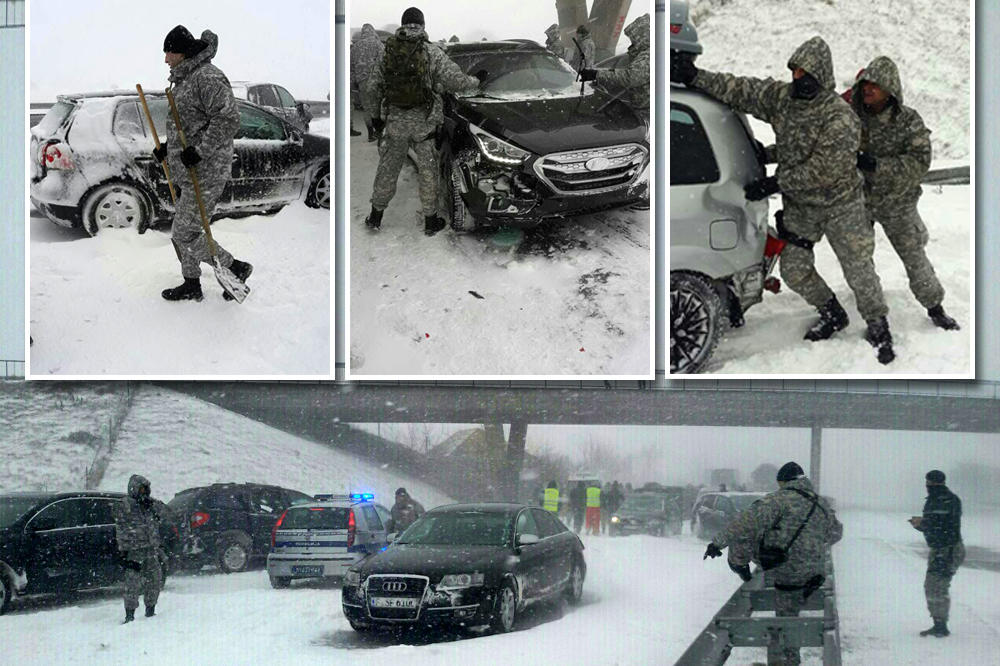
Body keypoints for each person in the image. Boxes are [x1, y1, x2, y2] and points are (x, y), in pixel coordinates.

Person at [673, 36, 895, 364]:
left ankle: (878, 323)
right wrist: (696, 77)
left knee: (858, 268)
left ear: (822, 75)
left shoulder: (840, 117)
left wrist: (775, 182)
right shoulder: (783, 98)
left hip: (841, 205)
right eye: (795, 71)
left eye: (806, 73)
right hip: (802, 207)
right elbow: (741, 89)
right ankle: (832, 312)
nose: (798, 79)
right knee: (794, 269)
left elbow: (825, 169)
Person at [850, 56, 960, 331]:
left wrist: (878, 166)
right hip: (859, 200)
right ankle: (875, 317)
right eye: (865, 85)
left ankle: (935, 307)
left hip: (898, 203)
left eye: (875, 85)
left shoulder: (908, 120)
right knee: (859, 261)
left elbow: (920, 162)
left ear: (890, 88)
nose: (868, 90)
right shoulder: (851, 117)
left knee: (915, 258)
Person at [704, 462, 842, 666]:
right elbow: (836, 533)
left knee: (785, 616)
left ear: (784, 481)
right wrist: (809, 546)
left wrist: (717, 544)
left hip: (786, 572)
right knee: (792, 607)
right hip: (816, 572)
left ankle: (739, 565)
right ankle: (790, 656)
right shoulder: (820, 503)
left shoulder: (777, 501)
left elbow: (744, 523)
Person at [362, 7, 481, 235]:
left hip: (395, 123)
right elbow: (456, 81)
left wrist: (376, 118)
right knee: (428, 171)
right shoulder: (430, 51)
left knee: (387, 169)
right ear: (422, 25)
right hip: (423, 124)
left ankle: (375, 216)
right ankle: (430, 220)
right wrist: (476, 80)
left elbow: (372, 88)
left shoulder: (387, 52)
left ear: (403, 24)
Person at [157, 26, 252, 302]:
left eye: (169, 52)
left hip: (207, 171)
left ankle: (236, 267)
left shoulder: (207, 77)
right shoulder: (184, 79)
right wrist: (167, 148)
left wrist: (200, 151)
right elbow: (185, 124)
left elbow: (228, 119)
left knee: (184, 232)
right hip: (188, 171)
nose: (165, 59)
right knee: (184, 231)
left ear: (182, 52)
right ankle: (191, 283)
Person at [909, 469, 964, 637]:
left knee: (936, 587)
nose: (928, 486)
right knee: (934, 586)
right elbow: (939, 524)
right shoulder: (941, 499)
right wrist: (922, 524)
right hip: (943, 548)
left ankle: (941, 626)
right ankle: (939, 623)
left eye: (929, 482)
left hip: (946, 549)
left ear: (930, 483)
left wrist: (922, 523)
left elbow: (941, 525)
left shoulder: (943, 500)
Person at [113, 475, 163, 623]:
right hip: (134, 552)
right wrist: (124, 552)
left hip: (151, 550)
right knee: (132, 585)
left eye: (146, 489)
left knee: (154, 581)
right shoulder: (125, 505)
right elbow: (119, 520)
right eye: (142, 489)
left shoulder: (149, 505)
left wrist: (153, 506)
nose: (145, 492)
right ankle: (130, 616)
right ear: (134, 489)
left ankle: (150, 611)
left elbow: (167, 514)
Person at [351, 23, 386, 142]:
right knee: (379, 107)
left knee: (366, 109)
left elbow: (351, 67)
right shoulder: (378, 44)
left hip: (362, 83)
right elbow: (384, 62)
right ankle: (380, 133)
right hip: (377, 82)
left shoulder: (355, 47)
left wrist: (354, 81)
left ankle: (370, 134)